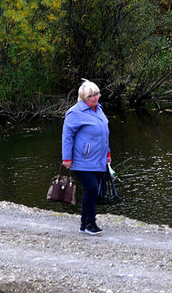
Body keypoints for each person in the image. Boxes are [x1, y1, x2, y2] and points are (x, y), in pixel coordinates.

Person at [61, 79, 111, 235]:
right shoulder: (75, 113)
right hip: (82, 160)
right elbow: (67, 137)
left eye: (97, 94)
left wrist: (108, 153)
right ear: (84, 97)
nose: (95, 98)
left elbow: (104, 135)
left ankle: (84, 224)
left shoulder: (99, 109)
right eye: (91, 96)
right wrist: (67, 158)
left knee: (91, 191)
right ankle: (90, 223)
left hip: (99, 159)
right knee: (92, 188)